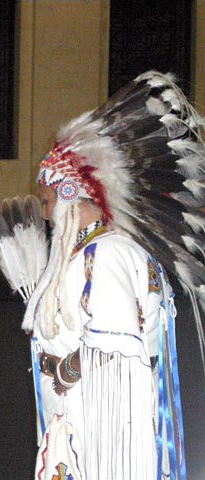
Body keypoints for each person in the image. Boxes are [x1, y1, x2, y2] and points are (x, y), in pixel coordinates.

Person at [21, 71, 199, 479]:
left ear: (70, 197)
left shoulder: (107, 256)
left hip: (102, 421)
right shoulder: (100, 248)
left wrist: (63, 372)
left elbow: (113, 353)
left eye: (47, 202)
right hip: (88, 413)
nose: (45, 213)